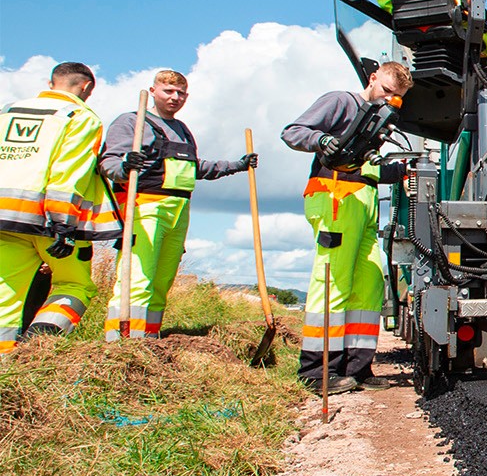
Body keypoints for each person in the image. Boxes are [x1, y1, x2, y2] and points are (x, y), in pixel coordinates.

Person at [282, 61, 414, 393]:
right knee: (332, 282)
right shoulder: (341, 102)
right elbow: (292, 132)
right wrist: (321, 139)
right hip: (334, 197)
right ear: (372, 79)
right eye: (386, 91)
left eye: (396, 97)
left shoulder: (378, 119)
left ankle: (357, 368)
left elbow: (364, 168)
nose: (388, 100)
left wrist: (395, 172)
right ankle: (316, 373)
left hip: (363, 203)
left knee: (368, 285)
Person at [99, 70, 256, 340]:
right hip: (145, 207)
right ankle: (122, 346)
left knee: (161, 282)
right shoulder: (132, 122)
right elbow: (108, 163)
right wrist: (125, 167)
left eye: (181, 93)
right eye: (168, 91)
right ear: (153, 91)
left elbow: (195, 168)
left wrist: (236, 166)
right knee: (138, 279)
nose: (175, 97)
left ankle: (149, 341)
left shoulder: (183, 130)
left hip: (179, 211)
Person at [0, 62, 120, 353]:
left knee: (6, 293)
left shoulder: (8, 111)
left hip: (4, 217)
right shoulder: (80, 117)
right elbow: (69, 173)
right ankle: (34, 352)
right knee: (75, 285)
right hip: (45, 217)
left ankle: (4, 362)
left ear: (50, 82)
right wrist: (64, 225)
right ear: (86, 88)